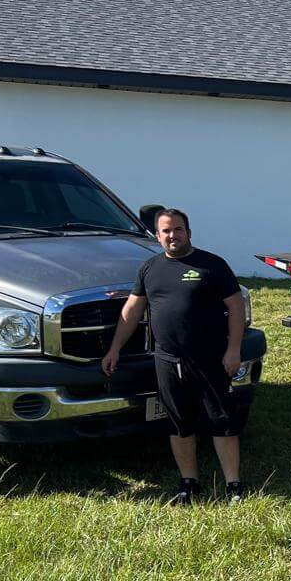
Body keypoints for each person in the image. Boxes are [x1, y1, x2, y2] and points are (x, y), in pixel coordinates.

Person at [102, 208, 247, 505]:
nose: (172, 236)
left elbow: (236, 307)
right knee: (179, 423)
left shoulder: (212, 265)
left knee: (222, 421)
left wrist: (234, 350)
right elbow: (131, 312)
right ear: (157, 236)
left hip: (210, 359)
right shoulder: (149, 268)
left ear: (189, 232)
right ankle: (189, 483)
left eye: (178, 229)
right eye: (166, 231)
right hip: (167, 360)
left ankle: (234, 486)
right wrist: (115, 348)